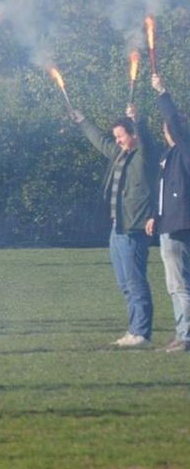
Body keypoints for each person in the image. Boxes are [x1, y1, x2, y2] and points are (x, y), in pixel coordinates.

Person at [71, 101, 157, 348]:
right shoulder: (120, 153)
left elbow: (147, 140)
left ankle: (141, 333)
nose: (117, 140)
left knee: (135, 281)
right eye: (116, 137)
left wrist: (138, 119)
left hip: (134, 229)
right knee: (124, 283)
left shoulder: (144, 156)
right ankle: (134, 330)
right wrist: (82, 120)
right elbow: (100, 141)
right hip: (117, 229)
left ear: (133, 135)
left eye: (121, 136)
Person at [147, 73, 190, 353]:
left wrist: (162, 92)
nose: (166, 130)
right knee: (178, 285)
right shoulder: (168, 155)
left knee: (179, 286)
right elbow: (161, 191)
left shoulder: (185, 150)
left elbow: (174, 120)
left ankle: (185, 336)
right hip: (166, 224)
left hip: (179, 227)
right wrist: (154, 215)